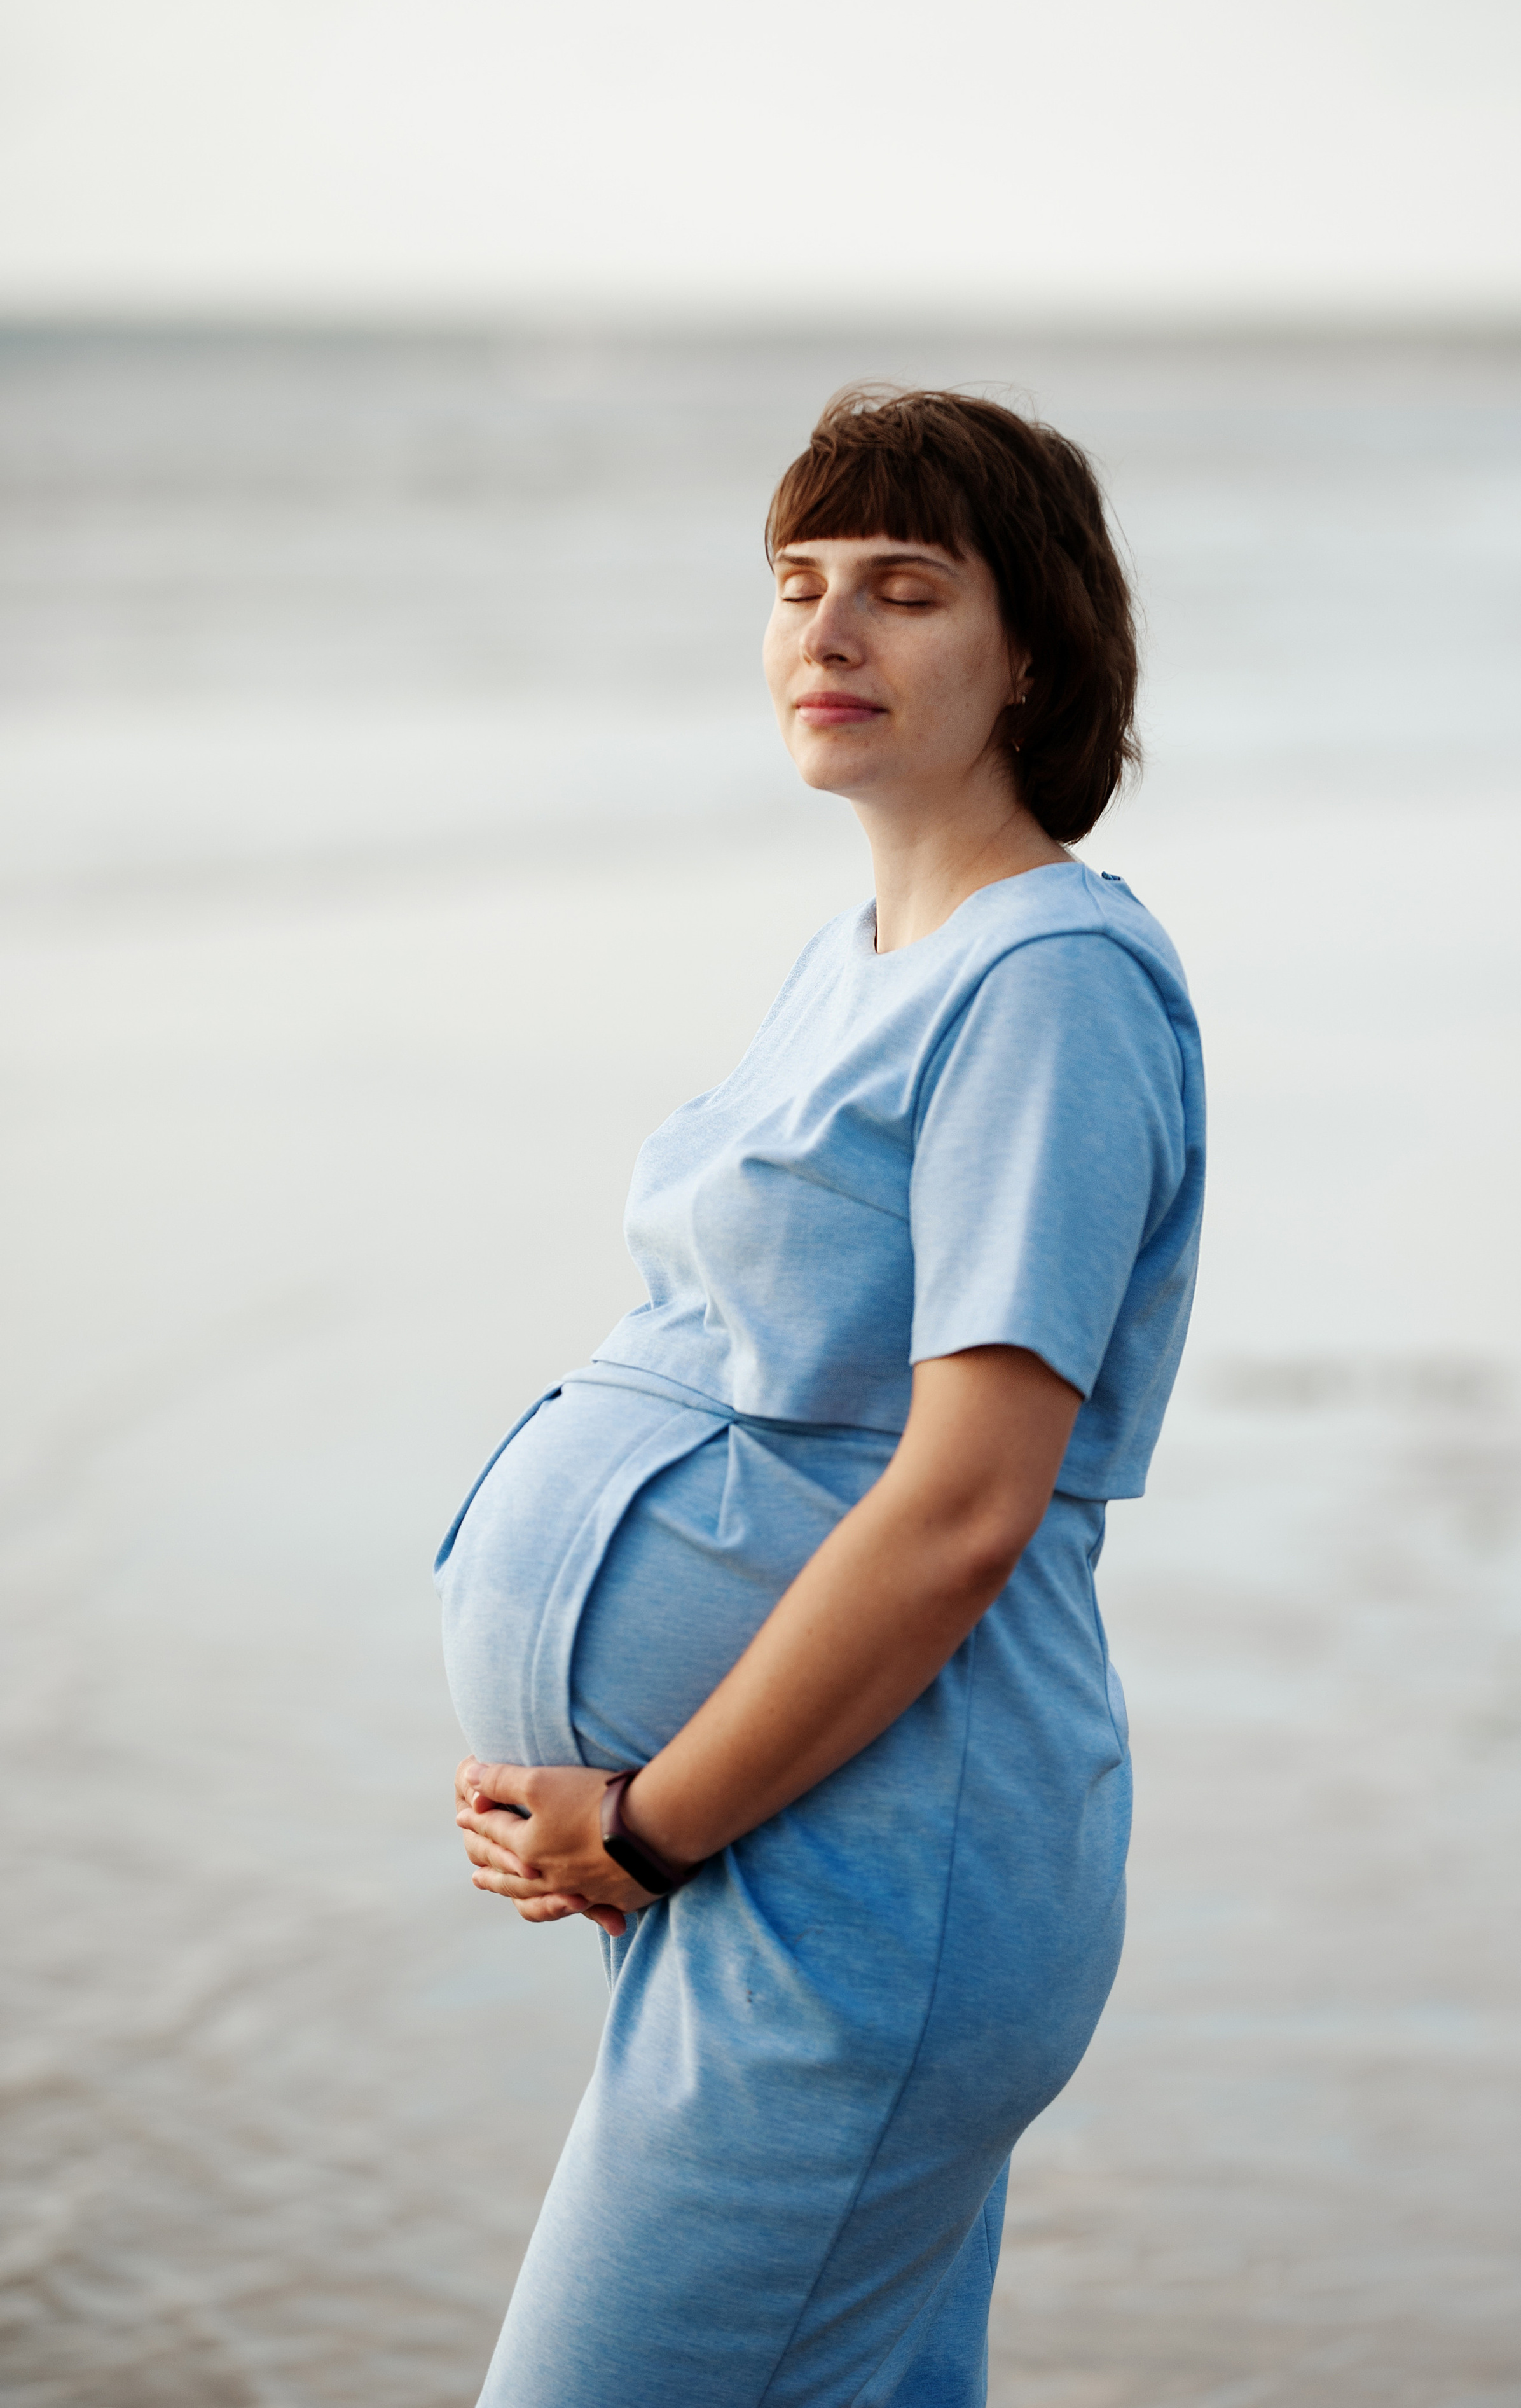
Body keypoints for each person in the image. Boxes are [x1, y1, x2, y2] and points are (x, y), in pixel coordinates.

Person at [437, 387, 1205, 2407]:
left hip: (864, 1880)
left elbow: (969, 1504)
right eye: (797, 587)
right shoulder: (861, 957)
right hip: (788, 1852)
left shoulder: (1048, 986)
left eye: (903, 590)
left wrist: (656, 1823)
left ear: (1029, 649)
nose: (827, 633)